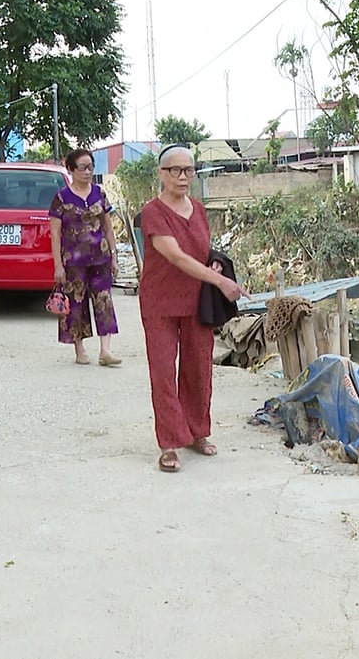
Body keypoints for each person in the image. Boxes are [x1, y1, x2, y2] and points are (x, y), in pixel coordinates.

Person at [139, 144, 245, 473]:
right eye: (176, 170)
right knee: (163, 371)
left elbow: (199, 250)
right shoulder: (153, 212)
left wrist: (214, 264)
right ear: (162, 173)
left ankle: (197, 432)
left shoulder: (198, 209)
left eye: (188, 170)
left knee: (199, 368)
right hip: (160, 302)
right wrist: (221, 282)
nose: (183, 176)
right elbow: (175, 256)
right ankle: (169, 443)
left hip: (196, 300)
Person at [49, 148, 121, 366]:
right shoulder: (61, 197)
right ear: (71, 169)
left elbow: (108, 228)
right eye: (82, 168)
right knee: (76, 304)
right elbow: (55, 234)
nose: (88, 172)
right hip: (73, 262)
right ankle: (79, 349)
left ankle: (105, 350)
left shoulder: (99, 193)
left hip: (101, 258)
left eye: (90, 167)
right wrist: (58, 266)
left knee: (104, 301)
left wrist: (114, 256)